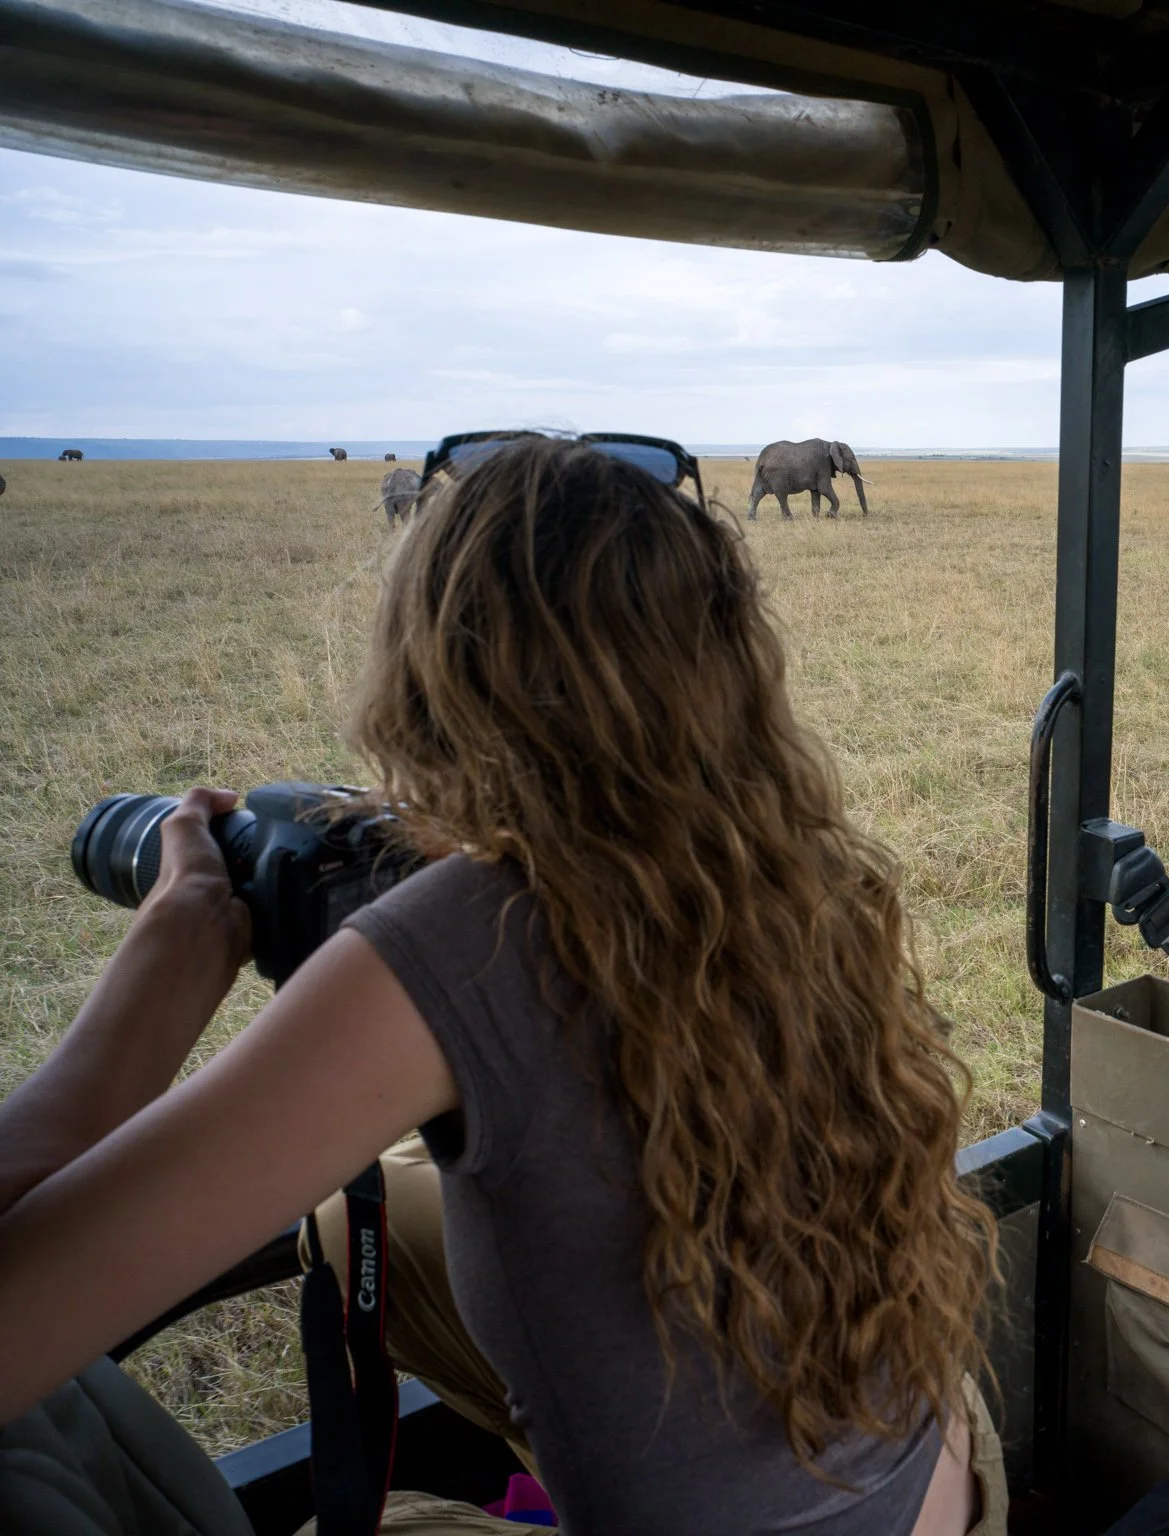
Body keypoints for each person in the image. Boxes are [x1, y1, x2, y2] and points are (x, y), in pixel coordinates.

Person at [0, 438, 1000, 1534]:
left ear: (438, 676)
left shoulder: (462, 940)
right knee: (349, 1224)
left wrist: (164, 960)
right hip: (943, 1480)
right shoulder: (794, 864)